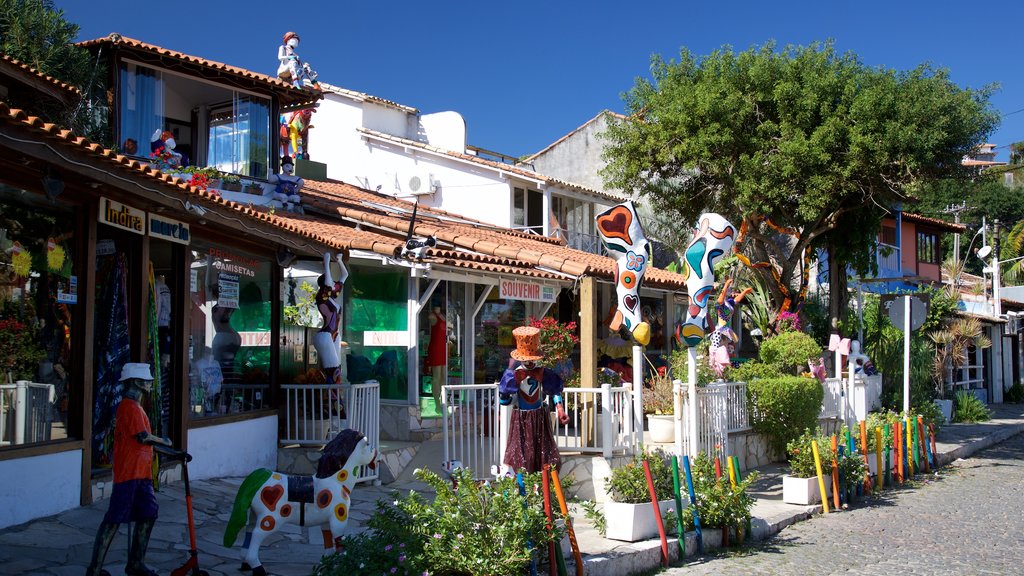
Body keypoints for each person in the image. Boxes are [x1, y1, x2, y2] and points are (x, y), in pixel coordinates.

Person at [85, 363, 172, 576]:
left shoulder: (136, 407)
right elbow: (142, 436)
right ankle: (94, 569)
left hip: (141, 472)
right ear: (137, 383)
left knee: (149, 514)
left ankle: (136, 562)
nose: (150, 384)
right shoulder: (129, 407)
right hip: (129, 472)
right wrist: (164, 441)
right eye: (147, 381)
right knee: (114, 518)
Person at [499, 326, 569, 473]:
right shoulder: (514, 375)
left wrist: (560, 409)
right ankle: (523, 487)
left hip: (539, 418)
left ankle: (542, 486)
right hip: (521, 419)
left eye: (532, 359)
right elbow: (505, 401)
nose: (530, 363)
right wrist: (506, 393)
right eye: (527, 359)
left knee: (543, 453)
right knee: (521, 454)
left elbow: (555, 391)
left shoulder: (544, 373)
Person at [315, 251, 349, 426]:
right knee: (333, 373)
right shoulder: (322, 296)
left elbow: (345, 275)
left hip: (334, 335)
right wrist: (326, 261)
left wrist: (340, 261)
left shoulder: (332, 298)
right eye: (330, 283)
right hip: (326, 335)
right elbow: (328, 282)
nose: (334, 285)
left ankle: (336, 414)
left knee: (337, 373)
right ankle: (336, 414)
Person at [708, 278, 752, 377]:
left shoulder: (729, 303)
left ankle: (726, 372)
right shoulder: (720, 304)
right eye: (728, 289)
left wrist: (744, 292)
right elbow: (721, 298)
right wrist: (726, 285)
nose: (730, 290)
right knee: (715, 350)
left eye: (730, 289)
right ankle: (715, 370)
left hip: (727, 331)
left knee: (729, 350)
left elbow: (737, 299)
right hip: (720, 330)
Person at [425, 306, 446, 406]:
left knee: (443, 376)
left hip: (442, 348)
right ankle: (437, 403)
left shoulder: (442, 316)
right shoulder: (432, 316)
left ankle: (443, 401)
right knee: (436, 377)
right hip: (435, 348)